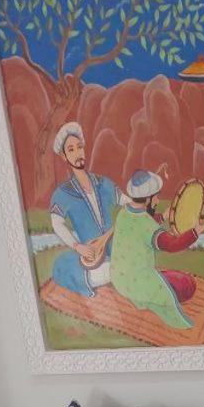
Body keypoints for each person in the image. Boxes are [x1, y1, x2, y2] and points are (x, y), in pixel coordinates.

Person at [108, 168, 204, 329]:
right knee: (188, 284)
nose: (157, 202)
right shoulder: (147, 224)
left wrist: (163, 217)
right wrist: (194, 232)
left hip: (119, 279)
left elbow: (141, 227)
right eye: (156, 197)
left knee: (170, 277)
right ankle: (149, 298)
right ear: (147, 199)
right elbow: (171, 245)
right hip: (138, 282)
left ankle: (143, 295)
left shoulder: (123, 213)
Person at [48, 123, 125, 296]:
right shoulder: (63, 192)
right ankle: (110, 273)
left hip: (114, 246)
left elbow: (124, 200)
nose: (77, 153)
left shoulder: (101, 182)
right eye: (71, 150)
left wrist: (140, 202)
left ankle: (114, 270)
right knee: (60, 266)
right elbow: (57, 223)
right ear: (64, 156)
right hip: (90, 253)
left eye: (79, 147)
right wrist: (77, 246)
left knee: (127, 257)